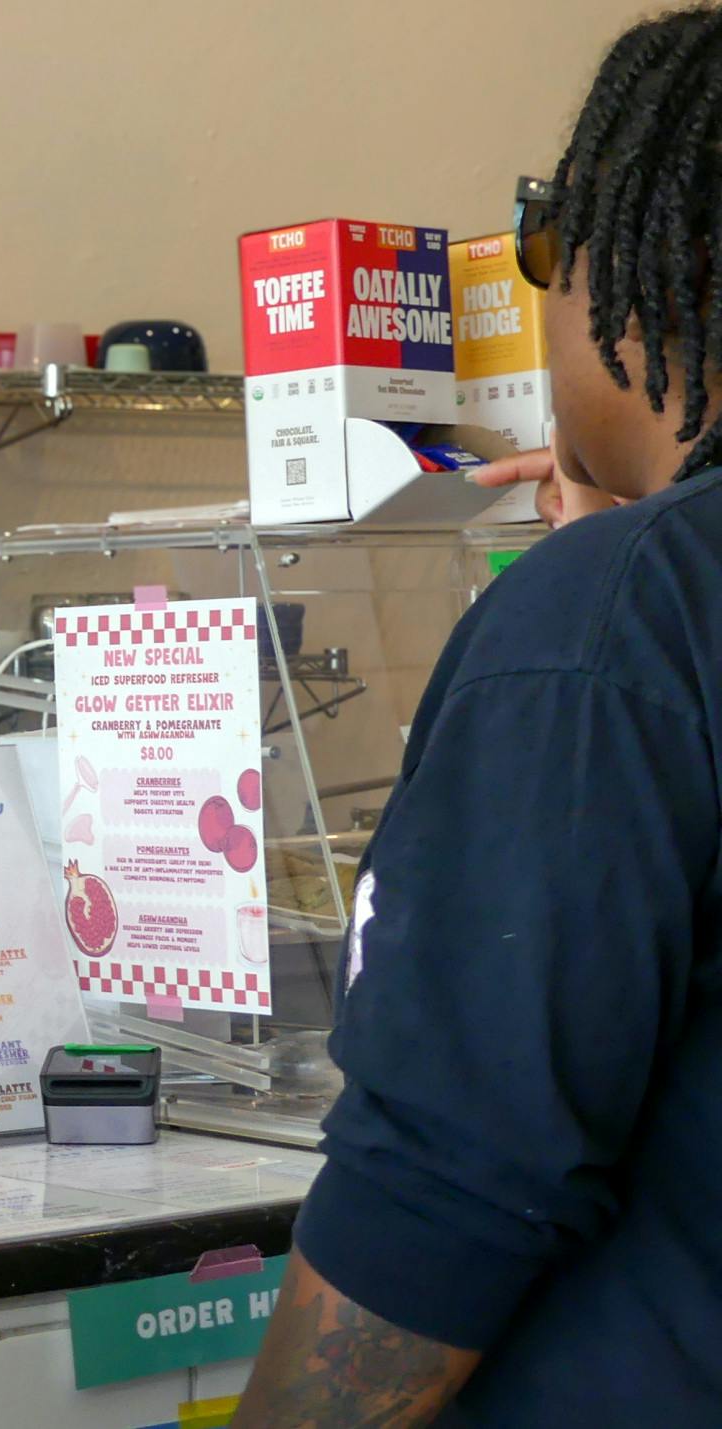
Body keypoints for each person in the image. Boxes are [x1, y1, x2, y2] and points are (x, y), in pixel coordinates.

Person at [238, 8, 722, 1423]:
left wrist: (612, 573)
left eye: (546, 240)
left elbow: (440, 1193)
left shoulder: (609, 629)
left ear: (665, 263)